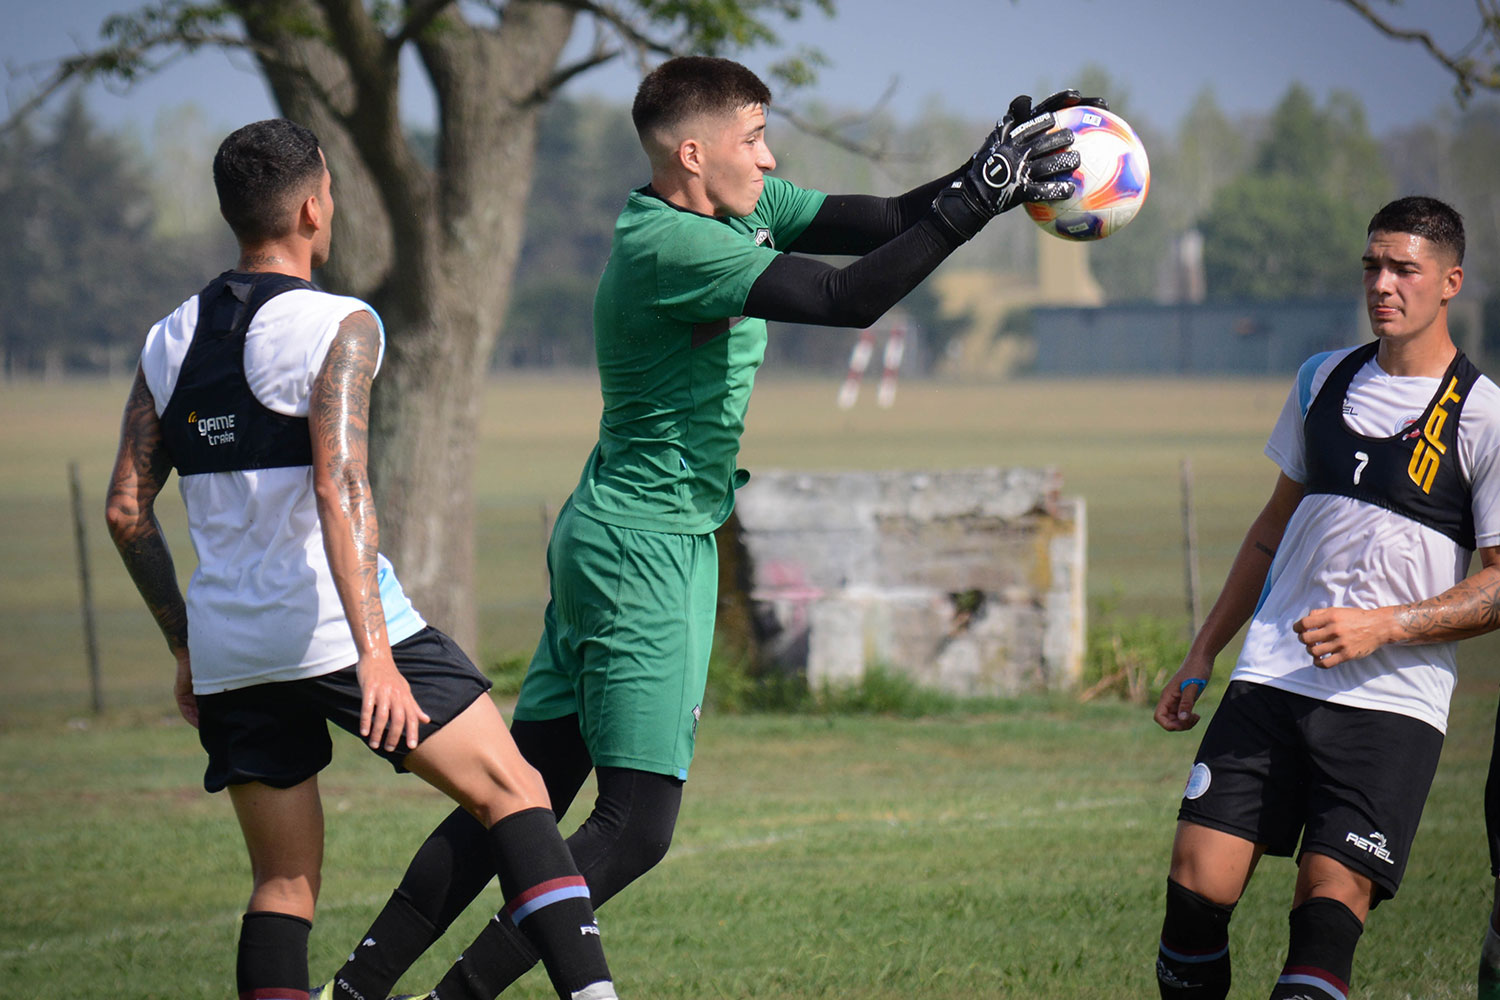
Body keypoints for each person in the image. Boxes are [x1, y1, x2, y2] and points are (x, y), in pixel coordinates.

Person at [317, 55, 1098, 1000]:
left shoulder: (730, 209)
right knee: (635, 825)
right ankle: (457, 996)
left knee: (517, 798)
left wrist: (990, 172)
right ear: (694, 153)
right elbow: (849, 301)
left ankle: (354, 994)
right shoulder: (673, 249)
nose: (770, 161)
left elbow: (889, 220)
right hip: (642, 549)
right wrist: (977, 202)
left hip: (615, 532)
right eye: (754, 139)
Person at [104, 118, 620, 1000]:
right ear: (313, 206)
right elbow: (342, 488)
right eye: (332, 191)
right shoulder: (340, 323)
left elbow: (126, 512)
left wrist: (189, 647)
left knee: (283, 887)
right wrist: (376, 654)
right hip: (341, 632)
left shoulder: (169, 337)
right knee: (517, 795)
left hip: (233, 649)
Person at [1151, 195, 1500, 1000]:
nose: (1383, 284)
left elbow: (1496, 583)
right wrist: (1203, 653)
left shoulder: (1482, 414)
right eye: (1372, 266)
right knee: (1194, 895)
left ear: (1449, 281)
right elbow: (1271, 530)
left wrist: (1387, 625)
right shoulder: (1322, 378)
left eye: (1403, 269)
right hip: (1271, 679)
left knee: (1325, 907)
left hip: (1391, 706)